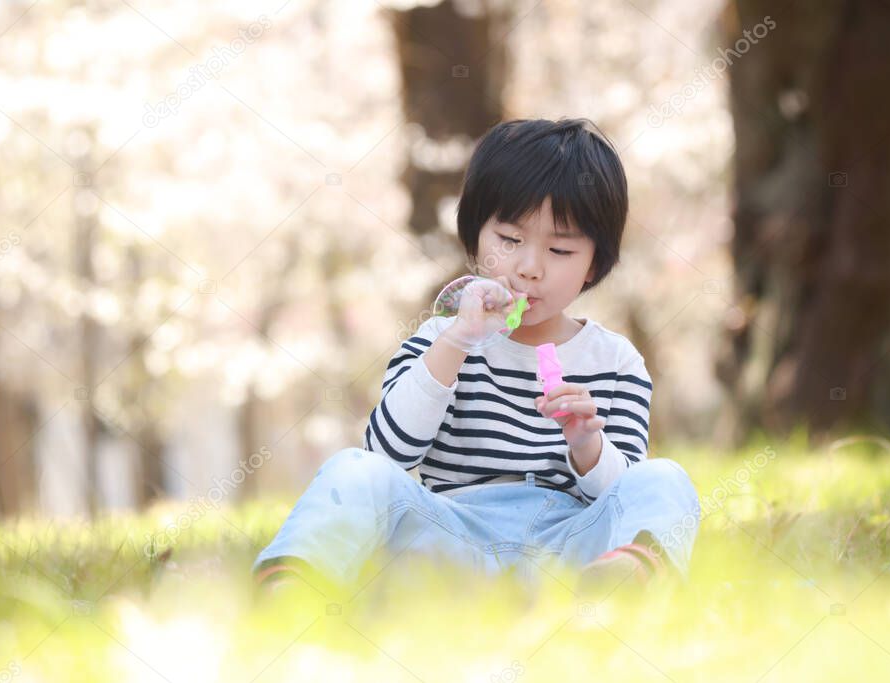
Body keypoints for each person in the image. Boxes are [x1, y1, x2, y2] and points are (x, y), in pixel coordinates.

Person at [251, 118, 701, 597]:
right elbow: (387, 453)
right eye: (509, 240)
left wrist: (587, 447)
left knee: (666, 479)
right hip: (450, 539)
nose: (530, 267)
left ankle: (621, 586)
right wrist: (455, 343)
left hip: (565, 548)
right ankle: (294, 587)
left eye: (560, 249)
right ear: (475, 239)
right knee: (352, 470)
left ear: (594, 263)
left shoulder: (617, 362)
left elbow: (625, 493)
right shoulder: (439, 339)